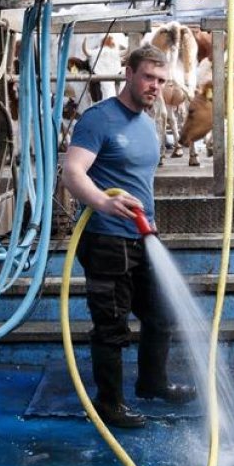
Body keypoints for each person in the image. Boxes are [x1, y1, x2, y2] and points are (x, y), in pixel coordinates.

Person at [60, 44, 197, 428]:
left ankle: (153, 383)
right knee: (112, 325)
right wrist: (102, 202)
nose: (155, 86)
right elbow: (73, 172)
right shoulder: (99, 119)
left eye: (161, 80)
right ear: (129, 74)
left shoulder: (147, 124)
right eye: (149, 77)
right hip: (106, 238)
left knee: (161, 314)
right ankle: (110, 403)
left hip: (142, 236)